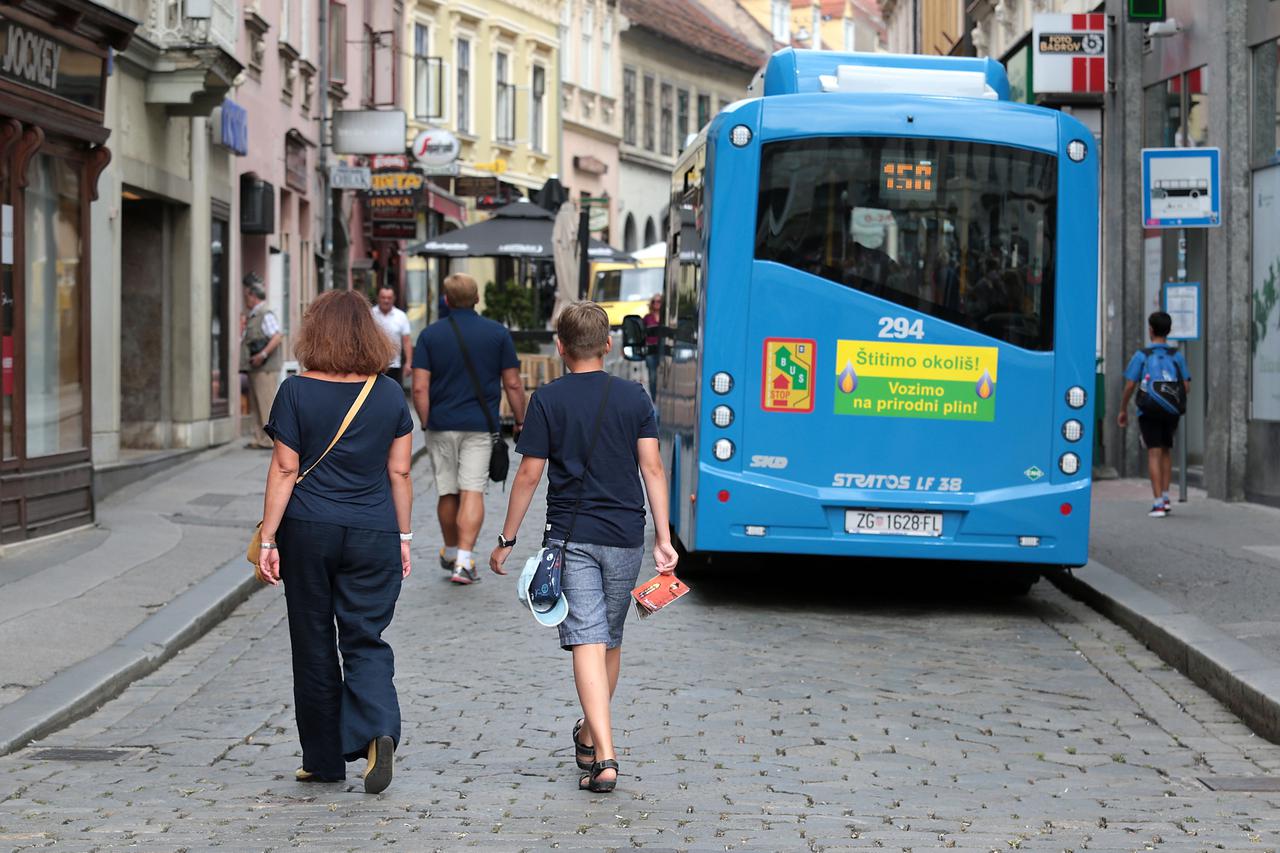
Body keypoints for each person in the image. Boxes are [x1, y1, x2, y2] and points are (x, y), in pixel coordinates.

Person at [488, 301, 679, 794]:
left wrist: (507, 538)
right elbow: (652, 469)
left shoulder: (548, 400)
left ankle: (604, 755)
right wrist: (663, 536)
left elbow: (529, 475)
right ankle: (592, 736)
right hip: (623, 536)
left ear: (560, 348)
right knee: (607, 639)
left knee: (590, 640)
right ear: (608, 345)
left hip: (570, 538)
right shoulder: (634, 397)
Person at [255, 288, 414, 795]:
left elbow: (285, 467)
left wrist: (267, 538)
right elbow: (401, 471)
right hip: (374, 530)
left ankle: (323, 760)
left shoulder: (296, 392)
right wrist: (404, 537)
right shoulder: (389, 393)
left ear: (314, 333)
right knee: (366, 636)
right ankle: (379, 731)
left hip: (308, 530)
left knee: (314, 641)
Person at [412, 272, 527, 585]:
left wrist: (425, 421)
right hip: (479, 425)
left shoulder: (430, 335)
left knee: (447, 490)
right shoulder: (496, 334)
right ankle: (463, 562)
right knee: (472, 489)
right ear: (477, 298)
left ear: (446, 300)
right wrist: (521, 420)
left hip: (440, 424)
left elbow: (419, 388)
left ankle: (451, 551)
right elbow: (513, 383)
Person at [1118, 310, 1191, 518]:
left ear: (1150, 330)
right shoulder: (1176, 356)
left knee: (1153, 452)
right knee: (1167, 450)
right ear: (1169, 331)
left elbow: (1130, 384)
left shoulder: (1142, 355)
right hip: (1171, 411)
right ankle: (1166, 498)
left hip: (1148, 410)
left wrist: (1123, 409)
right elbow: (1185, 385)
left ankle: (1158, 502)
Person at [242, 274, 284, 449]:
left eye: (246, 295)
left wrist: (262, 355)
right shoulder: (254, 315)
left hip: (265, 368)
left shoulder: (264, 313)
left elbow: (277, 336)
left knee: (266, 404)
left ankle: (269, 440)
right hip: (256, 368)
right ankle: (260, 438)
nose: (245, 299)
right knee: (258, 404)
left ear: (253, 295)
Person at [371, 285, 413, 385]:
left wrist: (409, 362)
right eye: (383, 297)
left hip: (395, 365)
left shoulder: (401, 316)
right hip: (374, 364)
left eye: (389, 298)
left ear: (394, 299)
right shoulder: (370, 314)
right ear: (378, 298)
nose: (386, 300)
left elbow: (406, 341)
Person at [642, 294, 662, 397]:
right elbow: (641, 334)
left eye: (659, 301)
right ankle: (654, 398)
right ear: (652, 304)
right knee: (652, 376)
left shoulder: (665, 317)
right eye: (655, 301)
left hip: (663, 349)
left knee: (663, 374)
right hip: (650, 349)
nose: (657, 304)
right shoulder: (647, 318)